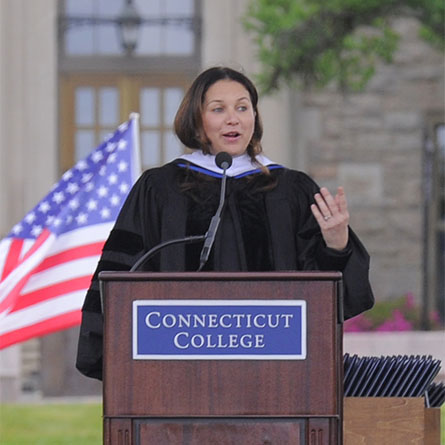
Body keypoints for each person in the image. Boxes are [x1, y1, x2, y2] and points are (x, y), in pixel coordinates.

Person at [76, 66, 374, 380]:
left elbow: (328, 299)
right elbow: (123, 274)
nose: (233, 118)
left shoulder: (291, 190)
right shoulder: (160, 189)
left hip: (276, 375)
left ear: (254, 119)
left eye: (242, 108)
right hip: (178, 374)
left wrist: (337, 244)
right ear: (197, 121)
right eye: (218, 109)